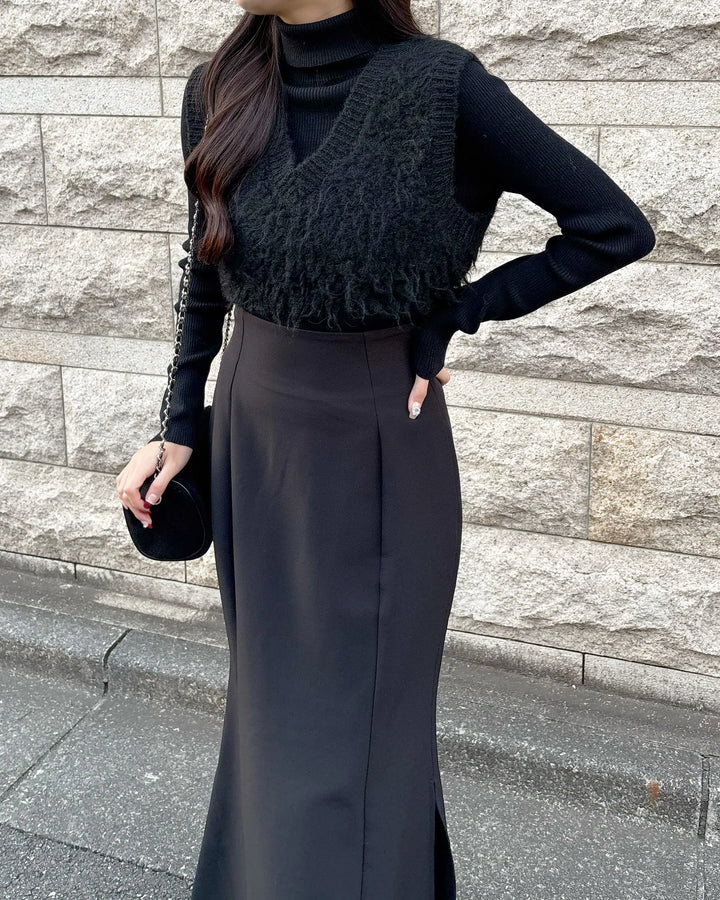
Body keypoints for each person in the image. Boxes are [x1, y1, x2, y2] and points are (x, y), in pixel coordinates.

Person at [115, 1, 656, 897]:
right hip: (252, 438)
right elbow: (205, 262)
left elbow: (612, 227)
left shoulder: (442, 88)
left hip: (374, 444)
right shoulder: (220, 86)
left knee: (360, 738)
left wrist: (456, 313)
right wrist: (178, 423)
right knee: (273, 717)